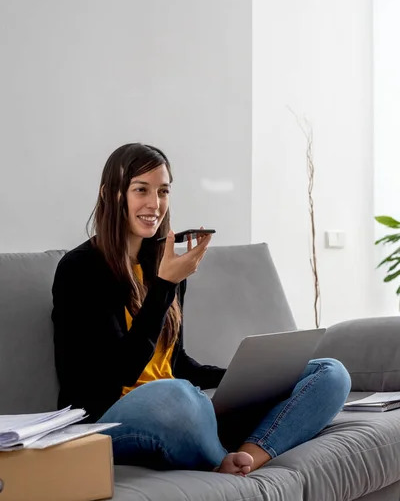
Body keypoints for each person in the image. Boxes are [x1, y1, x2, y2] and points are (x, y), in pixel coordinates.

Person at [52, 143, 351, 476]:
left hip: (183, 410)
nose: (155, 204)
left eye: (163, 191)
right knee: (176, 396)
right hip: (113, 420)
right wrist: (164, 286)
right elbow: (121, 371)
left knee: (329, 372)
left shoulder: (162, 266)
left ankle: (247, 457)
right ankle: (219, 456)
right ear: (111, 194)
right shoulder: (81, 269)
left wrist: (246, 382)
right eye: (141, 190)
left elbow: (174, 363)